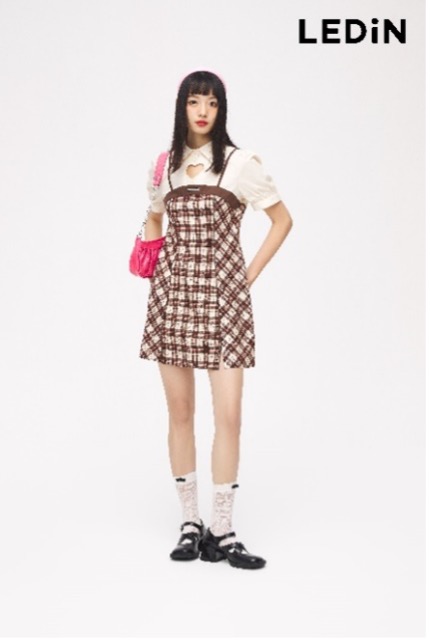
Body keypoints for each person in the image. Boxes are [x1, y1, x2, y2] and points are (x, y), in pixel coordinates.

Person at [139, 70, 293, 570]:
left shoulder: (241, 164)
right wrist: (153, 250)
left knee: (229, 416)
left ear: (221, 109)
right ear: (181, 107)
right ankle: (191, 523)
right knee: (180, 412)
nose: (203, 111)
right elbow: (155, 216)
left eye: (211, 102)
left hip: (225, 301)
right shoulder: (165, 166)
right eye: (194, 101)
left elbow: (282, 220)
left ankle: (222, 530)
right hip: (172, 300)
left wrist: (247, 277)